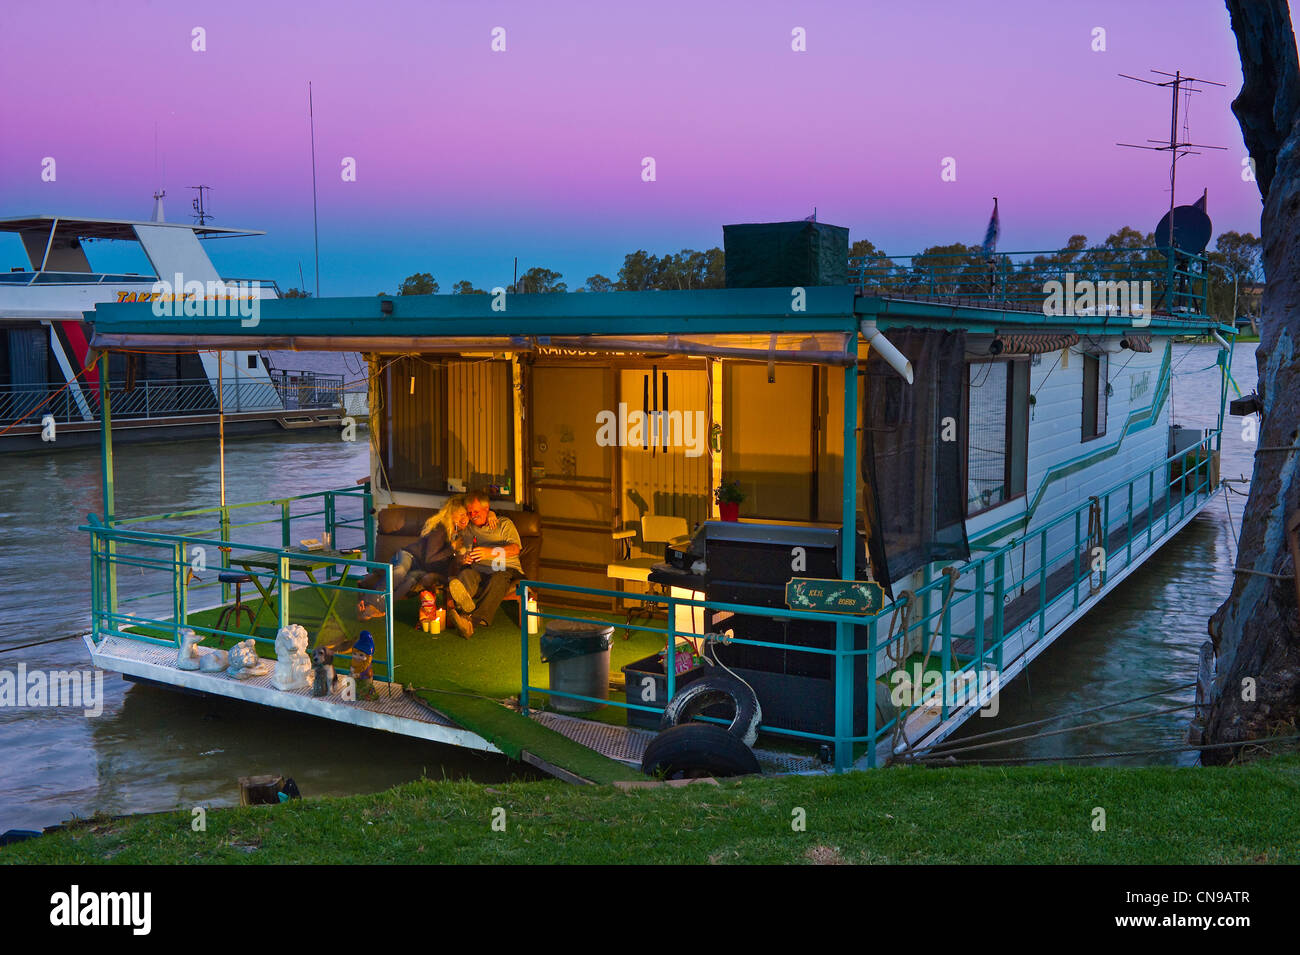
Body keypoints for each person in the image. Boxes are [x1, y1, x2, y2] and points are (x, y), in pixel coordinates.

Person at [357, 496, 470, 619]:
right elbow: (430, 559)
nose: (464, 518)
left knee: (409, 582)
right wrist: (452, 549)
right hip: (409, 556)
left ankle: (375, 608)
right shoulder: (440, 529)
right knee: (400, 571)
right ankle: (370, 603)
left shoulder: (457, 533)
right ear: (451, 515)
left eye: (466, 515)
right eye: (460, 515)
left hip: (421, 567)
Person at [446, 489, 524, 638]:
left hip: (504, 568)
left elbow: (515, 549)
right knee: (466, 573)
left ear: (487, 508)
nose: (472, 516)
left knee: (499, 576)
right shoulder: (469, 529)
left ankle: (470, 621)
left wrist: (490, 552)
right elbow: (460, 553)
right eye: (469, 512)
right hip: (479, 569)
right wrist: (464, 558)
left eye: (476, 511)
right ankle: (464, 609)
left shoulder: (504, 524)